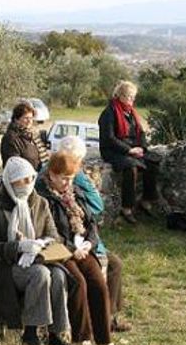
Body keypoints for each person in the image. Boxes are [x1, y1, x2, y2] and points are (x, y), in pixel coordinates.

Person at [0, 157, 72, 345]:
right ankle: (31, 332)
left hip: (37, 258)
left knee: (59, 274)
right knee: (40, 274)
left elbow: (54, 236)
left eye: (30, 179)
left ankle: (56, 333)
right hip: (8, 265)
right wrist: (18, 247)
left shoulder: (40, 202)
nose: (27, 185)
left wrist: (39, 244)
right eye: (21, 180)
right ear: (10, 182)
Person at [37, 151, 124, 345]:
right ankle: (82, 338)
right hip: (59, 251)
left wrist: (88, 244)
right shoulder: (43, 196)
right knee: (78, 283)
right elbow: (48, 230)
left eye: (70, 178)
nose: (67, 183)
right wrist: (71, 248)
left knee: (98, 283)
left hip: (82, 248)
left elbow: (91, 223)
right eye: (63, 178)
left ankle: (104, 340)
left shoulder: (76, 192)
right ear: (52, 174)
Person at [49, 136, 129, 333]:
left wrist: (88, 243)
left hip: (82, 241)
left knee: (115, 264)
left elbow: (92, 213)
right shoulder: (61, 178)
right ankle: (101, 322)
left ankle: (107, 317)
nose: (80, 165)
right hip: (65, 245)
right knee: (109, 266)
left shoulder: (73, 179)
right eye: (78, 160)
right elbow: (96, 205)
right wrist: (76, 247)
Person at [98, 80, 160, 224]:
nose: (131, 100)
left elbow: (141, 133)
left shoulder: (131, 113)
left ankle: (146, 201)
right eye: (128, 96)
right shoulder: (109, 112)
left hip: (131, 148)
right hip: (113, 150)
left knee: (153, 163)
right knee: (131, 168)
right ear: (120, 96)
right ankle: (127, 208)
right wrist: (129, 150)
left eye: (133, 97)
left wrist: (142, 148)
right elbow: (109, 138)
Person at [0, 101, 49, 170]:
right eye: (26, 118)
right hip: (22, 178)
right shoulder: (10, 138)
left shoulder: (32, 135)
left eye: (31, 118)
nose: (29, 121)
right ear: (16, 119)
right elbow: (13, 165)